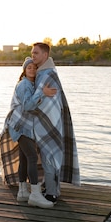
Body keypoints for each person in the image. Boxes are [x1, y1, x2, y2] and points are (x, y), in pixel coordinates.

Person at [0, 57, 57, 207]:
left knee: (24, 158)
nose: (32, 70)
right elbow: (28, 106)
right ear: (24, 70)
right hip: (19, 126)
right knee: (31, 156)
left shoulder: (31, 84)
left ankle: (23, 192)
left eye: (34, 67)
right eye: (29, 67)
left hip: (24, 126)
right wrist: (42, 93)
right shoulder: (24, 85)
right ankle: (35, 195)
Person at [30, 42, 80, 203]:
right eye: (32, 53)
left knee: (49, 157)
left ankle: (51, 193)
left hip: (49, 121)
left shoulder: (48, 74)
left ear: (45, 55)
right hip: (46, 120)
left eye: (36, 53)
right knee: (48, 156)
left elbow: (39, 100)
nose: (33, 56)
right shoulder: (44, 72)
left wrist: (39, 94)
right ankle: (51, 189)